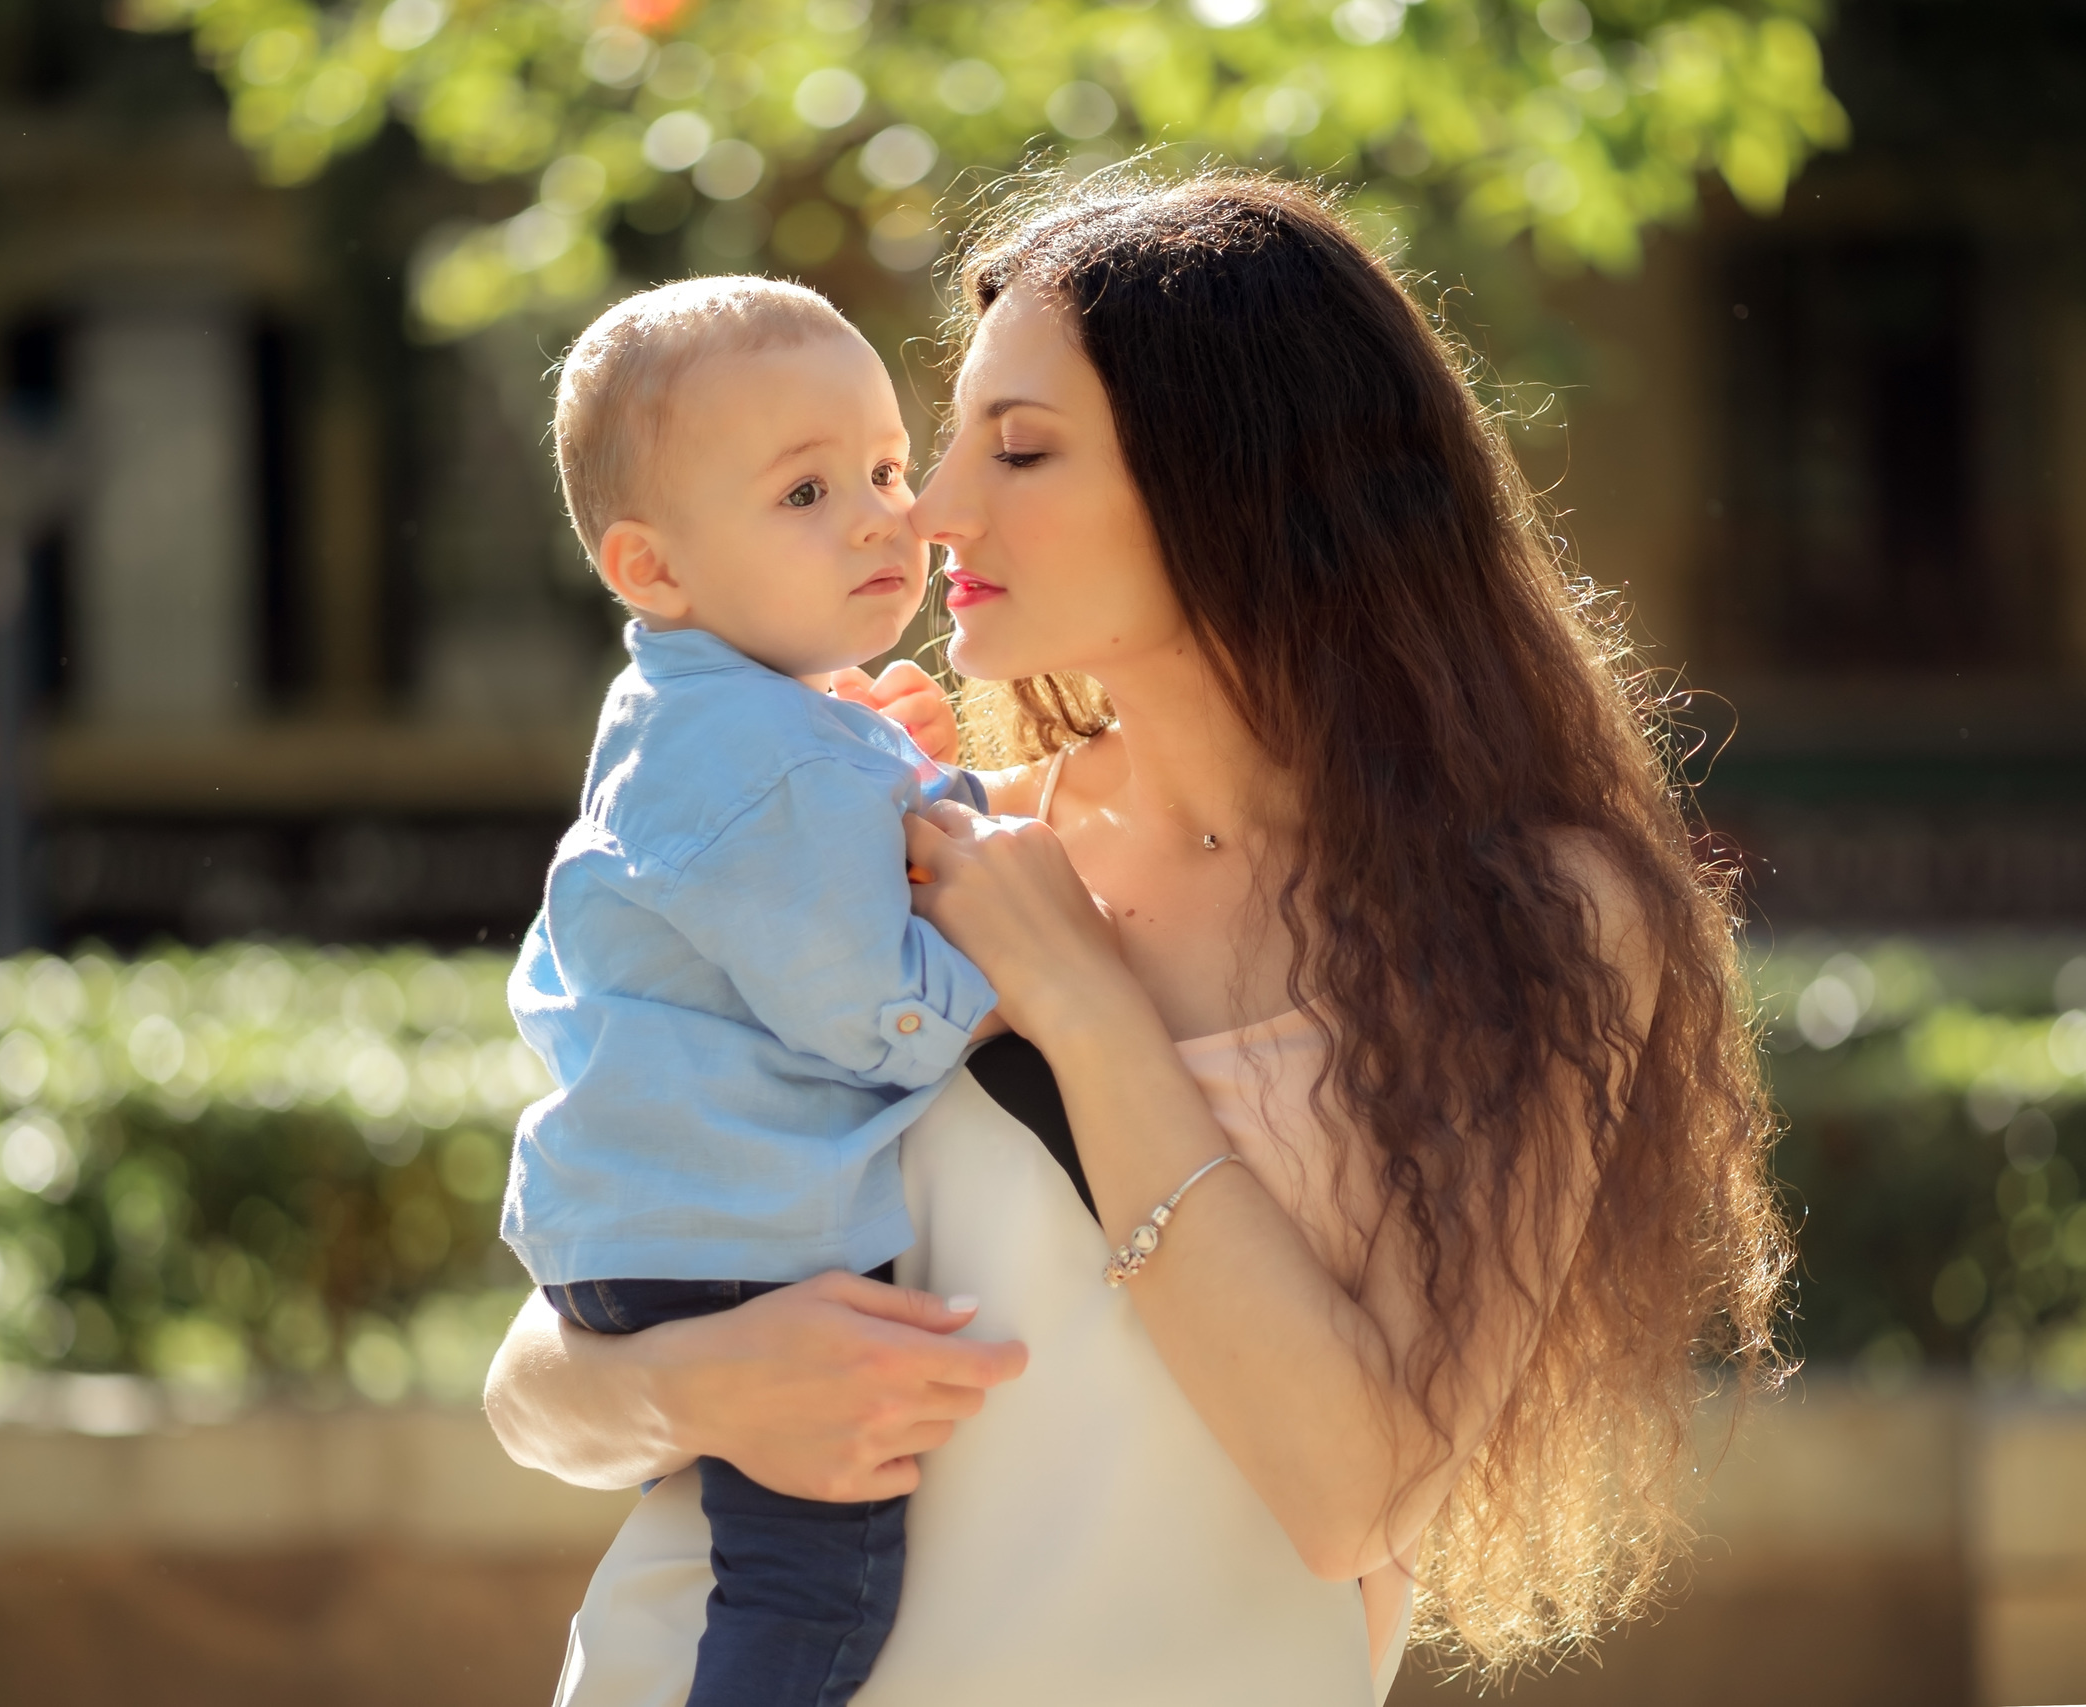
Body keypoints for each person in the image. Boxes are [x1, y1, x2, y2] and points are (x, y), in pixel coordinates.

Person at [487, 173, 1789, 1706]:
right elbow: (543, 1385)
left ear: (1239, 481)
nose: (934, 509)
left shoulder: (1547, 923)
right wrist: (699, 1383)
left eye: (1015, 448)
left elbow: (1352, 1495)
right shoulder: (905, 849)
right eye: (947, 441)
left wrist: (1081, 1003)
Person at [504, 274, 1004, 1707]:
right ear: (650, 569)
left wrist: (910, 773)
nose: (881, 516)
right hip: (734, 1234)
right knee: (814, 1582)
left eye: (888, 469)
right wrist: (1022, 958)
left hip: (651, 1221)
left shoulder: (724, 715)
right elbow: (873, 1013)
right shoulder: (773, 759)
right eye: (804, 493)